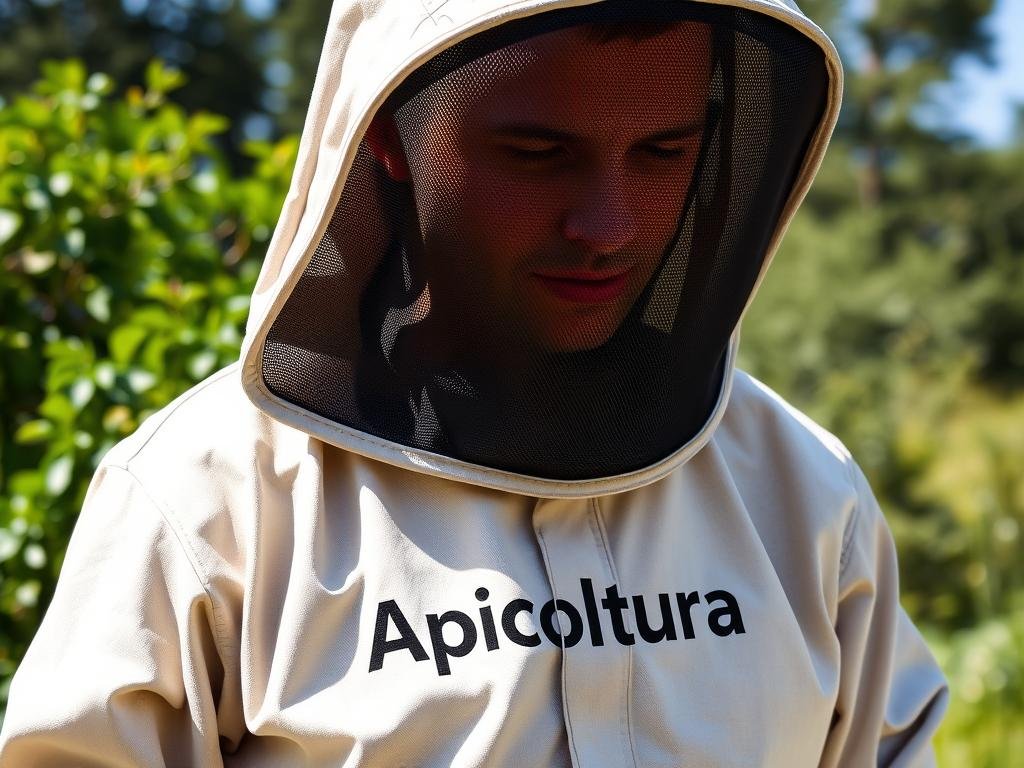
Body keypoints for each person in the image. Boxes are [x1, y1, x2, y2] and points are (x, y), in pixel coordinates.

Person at [0, 1, 948, 766]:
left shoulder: (805, 495)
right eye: (537, 154)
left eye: (664, 152)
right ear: (388, 134)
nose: (607, 223)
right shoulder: (209, 503)